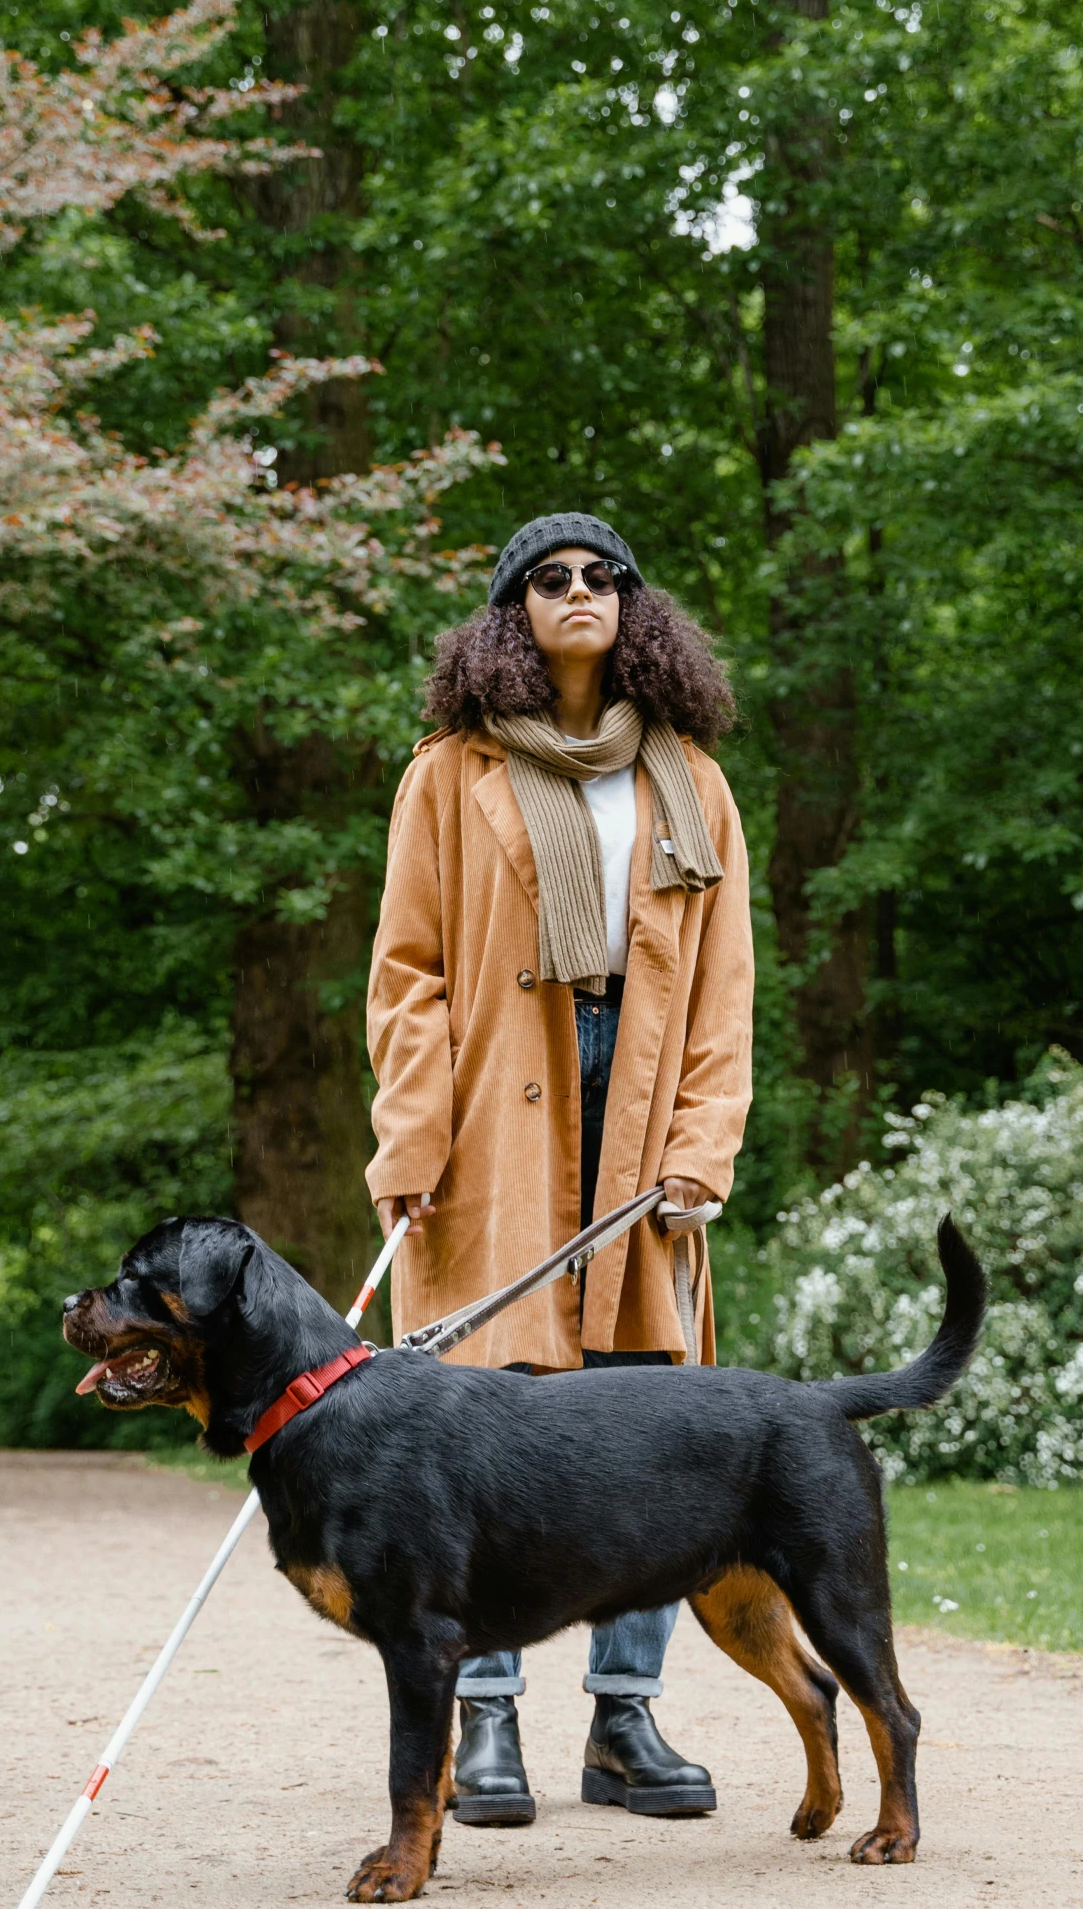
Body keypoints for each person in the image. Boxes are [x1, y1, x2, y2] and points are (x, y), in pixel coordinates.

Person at [365, 511, 754, 1826]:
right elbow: (406, 973)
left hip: (639, 1100)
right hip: (491, 1103)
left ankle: (623, 1717)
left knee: (640, 1420)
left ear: (631, 607)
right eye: (550, 577)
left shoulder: (690, 778)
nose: (578, 591)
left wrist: (702, 1140)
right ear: (510, 611)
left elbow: (722, 993)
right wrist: (413, 1134)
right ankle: (482, 1717)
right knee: (482, 1412)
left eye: (601, 576)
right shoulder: (447, 773)